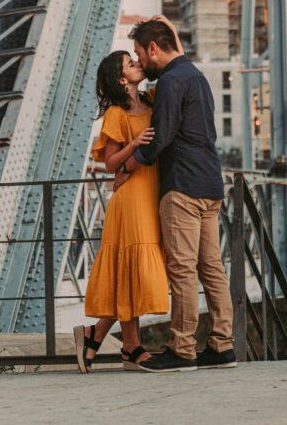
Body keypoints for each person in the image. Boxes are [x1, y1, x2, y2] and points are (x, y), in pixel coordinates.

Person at [116, 17, 237, 372]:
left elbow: (160, 136)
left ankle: (182, 348)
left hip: (182, 184)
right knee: (212, 268)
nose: (140, 61)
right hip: (210, 183)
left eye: (140, 53)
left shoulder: (169, 81)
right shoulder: (196, 76)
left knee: (182, 269)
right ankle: (222, 345)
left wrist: (128, 166)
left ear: (153, 49)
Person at [73, 50, 170, 373]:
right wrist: (134, 144)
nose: (138, 64)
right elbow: (110, 163)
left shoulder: (153, 99)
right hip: (131, 198)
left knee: (132, 272)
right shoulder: (116, 113)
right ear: (121, 79)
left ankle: (99, 336)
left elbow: (171, 71)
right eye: (131, 63)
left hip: (150, 191)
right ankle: (129, 346)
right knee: (133, 269)